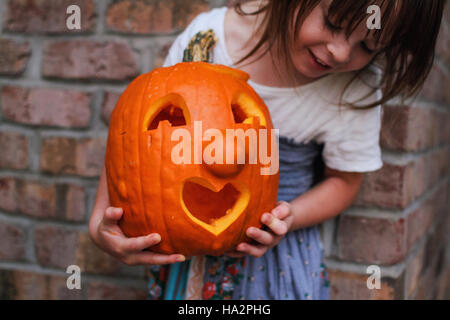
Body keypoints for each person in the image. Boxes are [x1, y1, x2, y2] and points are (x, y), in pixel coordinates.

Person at [89, 0, 445, 300]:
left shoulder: (355, 88)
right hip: (182, 249)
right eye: (333, 23)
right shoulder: (209, 38)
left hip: (276, 253)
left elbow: (345, 182)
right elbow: (136, 139)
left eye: (368, 46)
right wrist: (100, 219)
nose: (340, 52)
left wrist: (290, 217)